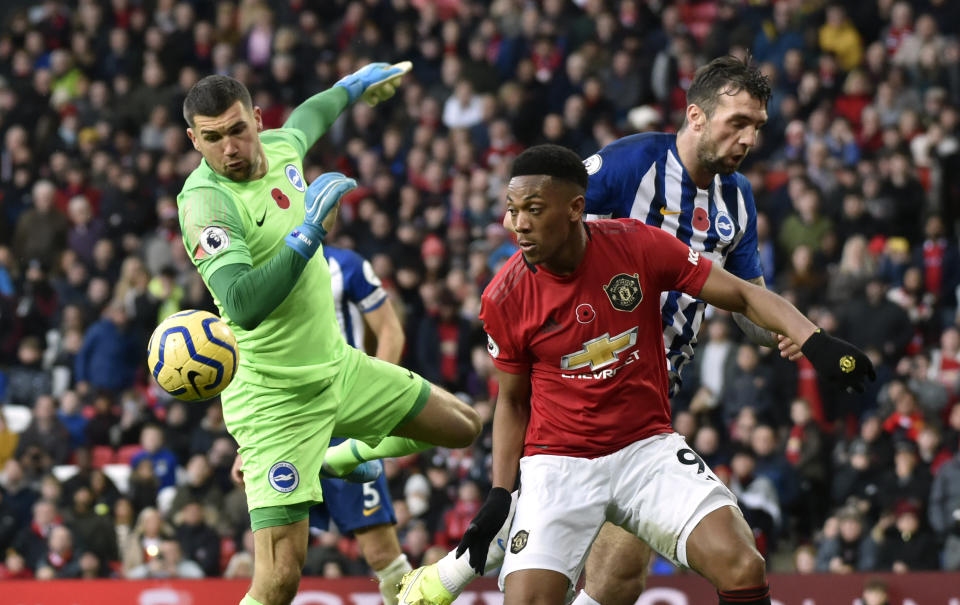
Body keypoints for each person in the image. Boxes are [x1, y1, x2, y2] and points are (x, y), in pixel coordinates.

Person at [400, 55, 800, 605]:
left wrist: (788, 333)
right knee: (575, 518)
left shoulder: (739, 200)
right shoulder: (629, 163)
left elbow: (747, 299)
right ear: (698, 117)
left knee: (619, 579)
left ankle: (469, 561)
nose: (748, 139)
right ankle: (469, 561)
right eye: (738, 122)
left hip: (654, 391)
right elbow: (547, 210)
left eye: (757, 126)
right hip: (578, 370)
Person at [440, 144, 872, 605]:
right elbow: (512, 401)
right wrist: (501, 492)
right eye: (512, 210)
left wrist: (814, 340)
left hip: (646, 449)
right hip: (558, 463)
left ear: (575, 209)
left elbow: (743, 296)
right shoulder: (504, 295)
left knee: (742, 563)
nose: (518, 223)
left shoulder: (636, 245)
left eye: (533, 209)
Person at [176, 67, 481, 605]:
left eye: (238, 129)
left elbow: (308, 118)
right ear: (194, 140)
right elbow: (243, 306)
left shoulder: (281, 146)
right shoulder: (207, 203)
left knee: (464, 426)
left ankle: (337, 457)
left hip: (337, 368)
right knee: (279, 580)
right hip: (274, 401)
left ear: (256, 120)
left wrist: (353, 87)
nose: (230, 148)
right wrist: (306, 234)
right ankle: (323, 457)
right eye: (213, 137)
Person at [230, 244, 411, 604]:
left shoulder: (346, 266)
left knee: (380, 553)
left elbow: (391, 331)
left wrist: (375, 400)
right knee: (276, 568)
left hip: (343, 421)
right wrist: (246, 445)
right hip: (286, 427)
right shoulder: (260, 274)